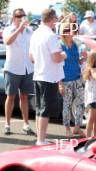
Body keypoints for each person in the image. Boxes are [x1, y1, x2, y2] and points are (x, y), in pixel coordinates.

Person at [29, 9, 67, 145]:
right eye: (55, 18)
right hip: (48, 76)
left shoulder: (35, 34)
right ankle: (41, 140)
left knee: (40, 108)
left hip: (38, 74)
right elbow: (56, 58)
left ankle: (41, 138)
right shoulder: (50, 35)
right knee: (44, 110)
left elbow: (31, 57)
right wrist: (64, 55)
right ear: (52, 19)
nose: (56, 21)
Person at [2, 8, 34, 135]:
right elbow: (7, 41)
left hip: (27, 68)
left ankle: (26, 124)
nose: (21, 17)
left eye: (23, 15)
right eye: (19, 16)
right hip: (13, 68)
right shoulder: (8, 29)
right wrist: (18, 29)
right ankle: (7, 124)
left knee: (25, 97)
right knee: (10, 97)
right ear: (14, 18)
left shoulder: (29, 31)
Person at [59, 23, 85, 138]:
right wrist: (60, 83)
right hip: (66, 80)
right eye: (67, 30)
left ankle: (77, 128)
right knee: (67, 105)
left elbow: (77, 61)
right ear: (63, 33)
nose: (70, 32)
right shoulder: (60, 46)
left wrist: (82, 58)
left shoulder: (75, 44)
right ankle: (67, 129)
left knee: (81, 103)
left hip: (77, 78)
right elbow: (58, 65)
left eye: (71, 30)